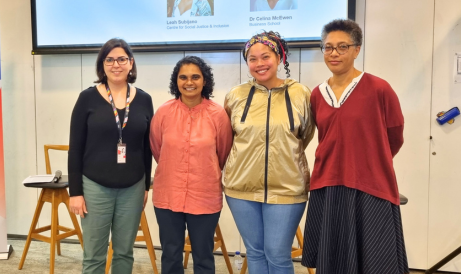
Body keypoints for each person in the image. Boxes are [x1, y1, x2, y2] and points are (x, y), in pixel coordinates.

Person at [301, 19, 408, 274]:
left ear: (357, 49)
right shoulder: (317, 93)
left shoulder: (379, 88)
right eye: (327, 47)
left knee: (374, 261)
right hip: (328, 184)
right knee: (334, 260)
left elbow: (395, 135)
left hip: (370, 184)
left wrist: (369, 160)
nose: (334, 53)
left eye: (342, 47)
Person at [223, 31, 315, 274]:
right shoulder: (236, 96)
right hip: (240, 188)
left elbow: (304, 136)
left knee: (277, 254)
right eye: (252, 59)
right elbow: (228, 139)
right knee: (254, 252)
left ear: (279, 57)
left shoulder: (301, 94)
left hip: (287, 188)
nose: (259, 64)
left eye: (265, 56)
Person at [68, 38, 154, 274]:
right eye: (110, 59)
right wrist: (75, 192)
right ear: (102, 64)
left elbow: (147, 148)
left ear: (131, 63)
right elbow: (75, 147)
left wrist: (146, 186)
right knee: (94, 255)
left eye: (122, 59)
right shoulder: (87, 98)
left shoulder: (144, 99)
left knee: (125, 252)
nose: (116, 64)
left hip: (133, 188)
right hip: (95, 186)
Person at [149, 56, 232, 274]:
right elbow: (158, 149)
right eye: (183, 77)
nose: (189, 82)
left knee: (204, 257)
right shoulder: (163, 113)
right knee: (170, 255)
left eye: (196, 77)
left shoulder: (218, 115)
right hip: (168, 196)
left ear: (205, 81)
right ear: (176, 82)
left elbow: (222, 153)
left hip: (204, 195)